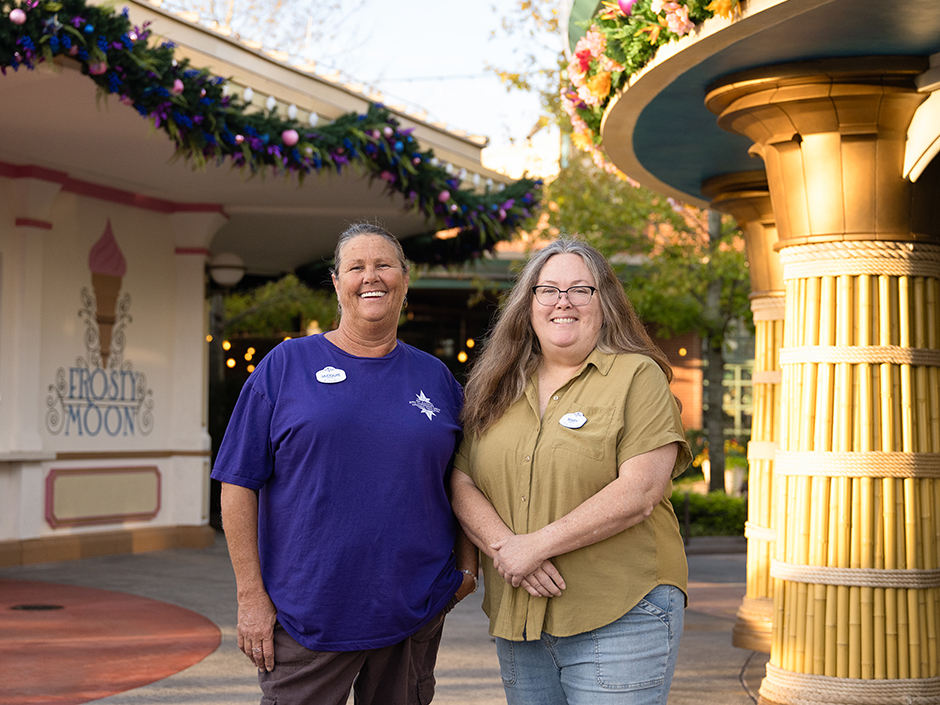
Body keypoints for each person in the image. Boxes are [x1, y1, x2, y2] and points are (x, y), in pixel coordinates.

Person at [211, 222, 478, 705]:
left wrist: (465, 568)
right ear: (336, 283)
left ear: (404, 278)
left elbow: (463, 475)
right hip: (307, 616)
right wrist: (251, 596)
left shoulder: (435, 376)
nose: (370, 276)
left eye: (383, 265)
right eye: (356, 266)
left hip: (411, 613)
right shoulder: (285, 365)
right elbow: (237, 483)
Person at [451, 239, 691, 705]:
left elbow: (640, 490)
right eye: (548, 289)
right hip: (520, 618)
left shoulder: (637, 376)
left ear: (606, 304)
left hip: (621, 610)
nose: (564, 301)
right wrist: (508, 550)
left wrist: (535, 547)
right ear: (529, 304)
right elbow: (461, 480)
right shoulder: (497, 386)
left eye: (581, 289)